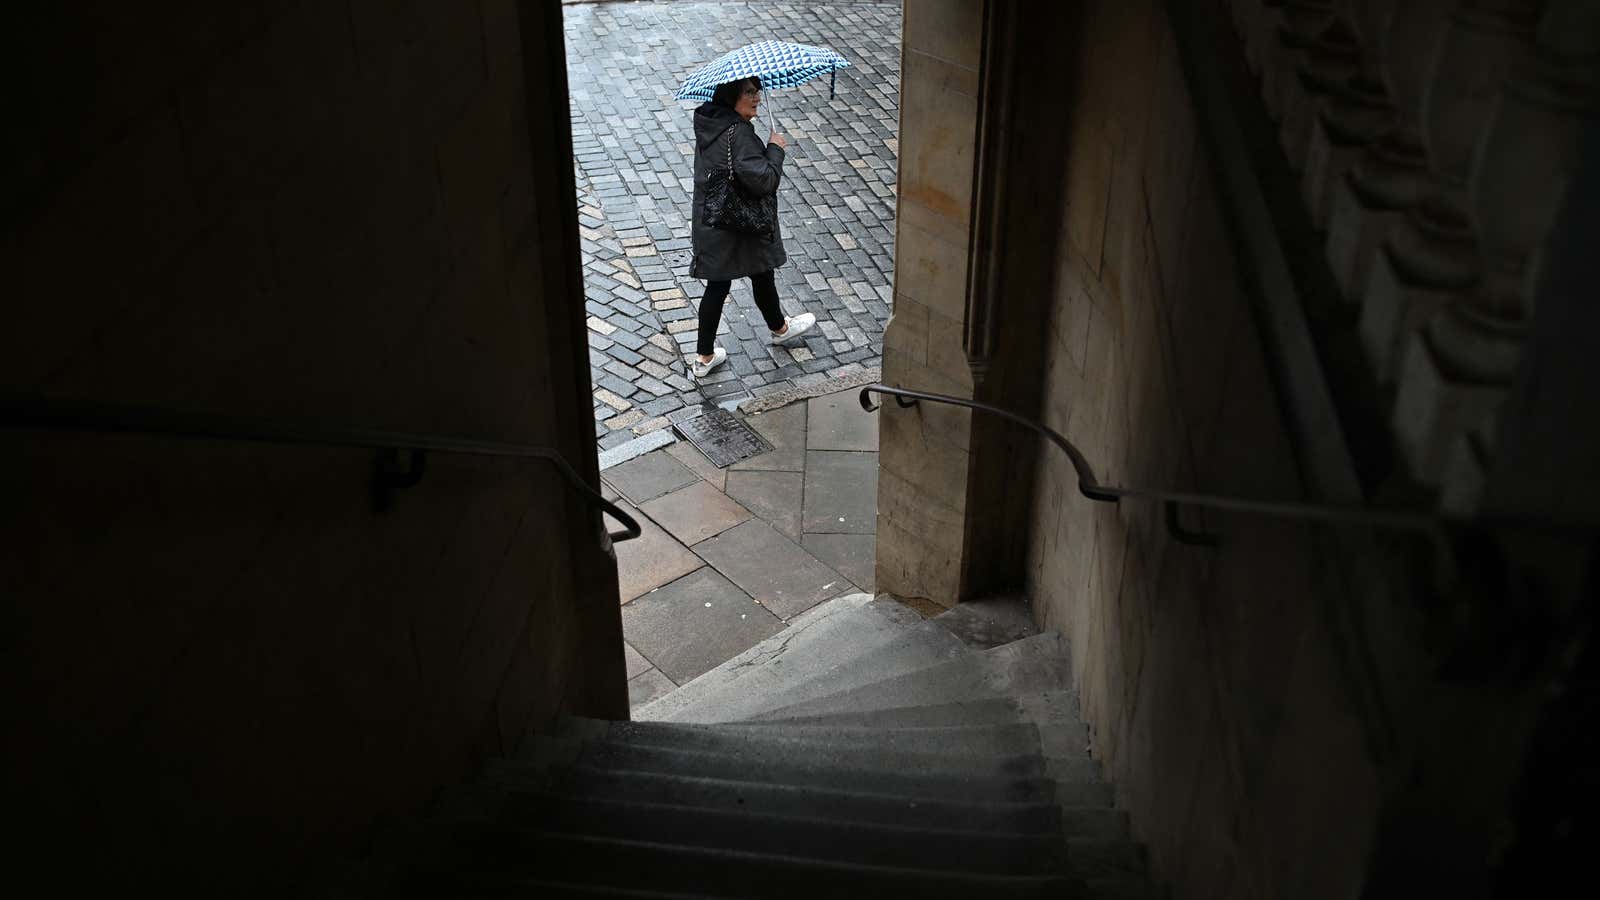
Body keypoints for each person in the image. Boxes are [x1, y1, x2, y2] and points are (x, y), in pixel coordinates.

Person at [688, 75, 816, 378]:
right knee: (728, 282)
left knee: (757, 270)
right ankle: (708, 354)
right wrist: (775, 149)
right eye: (749, 92)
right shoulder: (739, 133)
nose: (757, 97)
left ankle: (775, 329)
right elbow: (764, 180)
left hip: (716, 219)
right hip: (739, 221)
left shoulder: (712, 125)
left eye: (757, 91)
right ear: (733, 97)